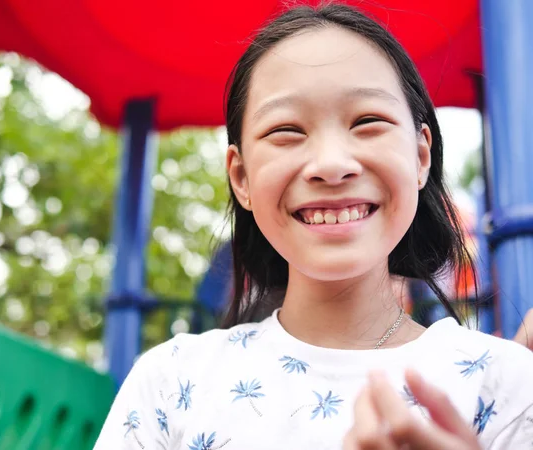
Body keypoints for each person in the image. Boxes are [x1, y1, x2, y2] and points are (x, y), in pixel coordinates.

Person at [94, 4, 533, 449]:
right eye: (286, 130)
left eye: (367, 122)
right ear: (241, 177)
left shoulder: (505, 385)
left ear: (421, 157)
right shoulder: (171, 382)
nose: (331, 165)